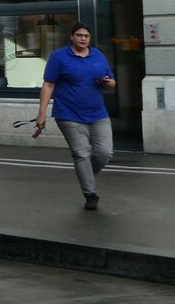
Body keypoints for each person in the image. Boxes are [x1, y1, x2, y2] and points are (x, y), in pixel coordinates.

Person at [35, 22, 116, 211]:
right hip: (69, 114)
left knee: (105, 153)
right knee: (81, 154)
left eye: (86, 36)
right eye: (79, 35)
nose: (83, 39)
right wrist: (41, 114)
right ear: (72, 37)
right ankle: (90, 194)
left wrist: (107, 83)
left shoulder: (98, 55)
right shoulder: (59, 57)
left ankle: (85, 174)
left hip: (98, 113)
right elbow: (48, 85)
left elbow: (112, 82)